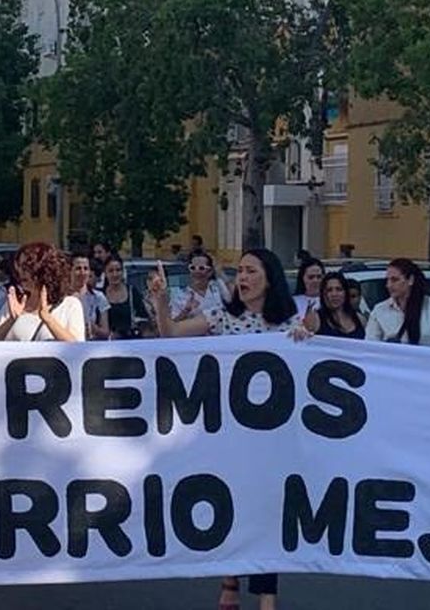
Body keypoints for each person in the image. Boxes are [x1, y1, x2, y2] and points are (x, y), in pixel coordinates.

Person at [148, 247, 301, 610]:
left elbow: (308, 350)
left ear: (270, 278)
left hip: (271, 437)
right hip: (230, 434)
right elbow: (171, 334)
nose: (243, 278)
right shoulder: (221, 317)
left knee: (266, 511)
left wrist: (307, 338)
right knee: (233, 506)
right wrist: (161, 300)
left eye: (251, 271)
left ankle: (267, 593)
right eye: (240, 272)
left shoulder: (285, 324)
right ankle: (230, 578)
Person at [0, 243, 84, 342]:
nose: (20, 272)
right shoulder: (15, 304)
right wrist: (10, 320)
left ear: (44, 270)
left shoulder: (70, 305)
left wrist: (48, 319)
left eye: (26, 267)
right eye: (19, 266)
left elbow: (78, 347)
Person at [364, 258, 430, 347]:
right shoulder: (379, 310)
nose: (388, 285)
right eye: (387, 280)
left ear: (410, 280)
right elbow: (371, 346)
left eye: (395, 280)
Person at [94, 254, 147, 340]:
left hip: (131, 342)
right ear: (105, 273)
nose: (115, 274)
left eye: (118, 270)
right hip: (107, 346)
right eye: (111, 271)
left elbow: (143, 318)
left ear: (123, 271)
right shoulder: (99, 295)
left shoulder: (132, 292)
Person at [168, 249, 227, 322]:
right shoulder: (179, 295)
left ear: (210, 272)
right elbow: (172, 325)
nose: (197, 271)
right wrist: (186, 311)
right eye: (193, 268)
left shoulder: (219, 289)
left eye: (201, 268)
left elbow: (234, 301)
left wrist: (220, 272)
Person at [67, 251, 107, 339]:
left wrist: (93, 328)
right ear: (70, 270)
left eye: (86, 268)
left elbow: (106, 332)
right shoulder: (62, 297)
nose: (82, 272)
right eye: (78, 268)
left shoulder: (99, 297)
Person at [314, 271, 365, 339]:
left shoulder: (360, 319)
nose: (334, 294)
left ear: (345, 293)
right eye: (329, 290)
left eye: (339, 289)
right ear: (323, 294)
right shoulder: (316, 319)